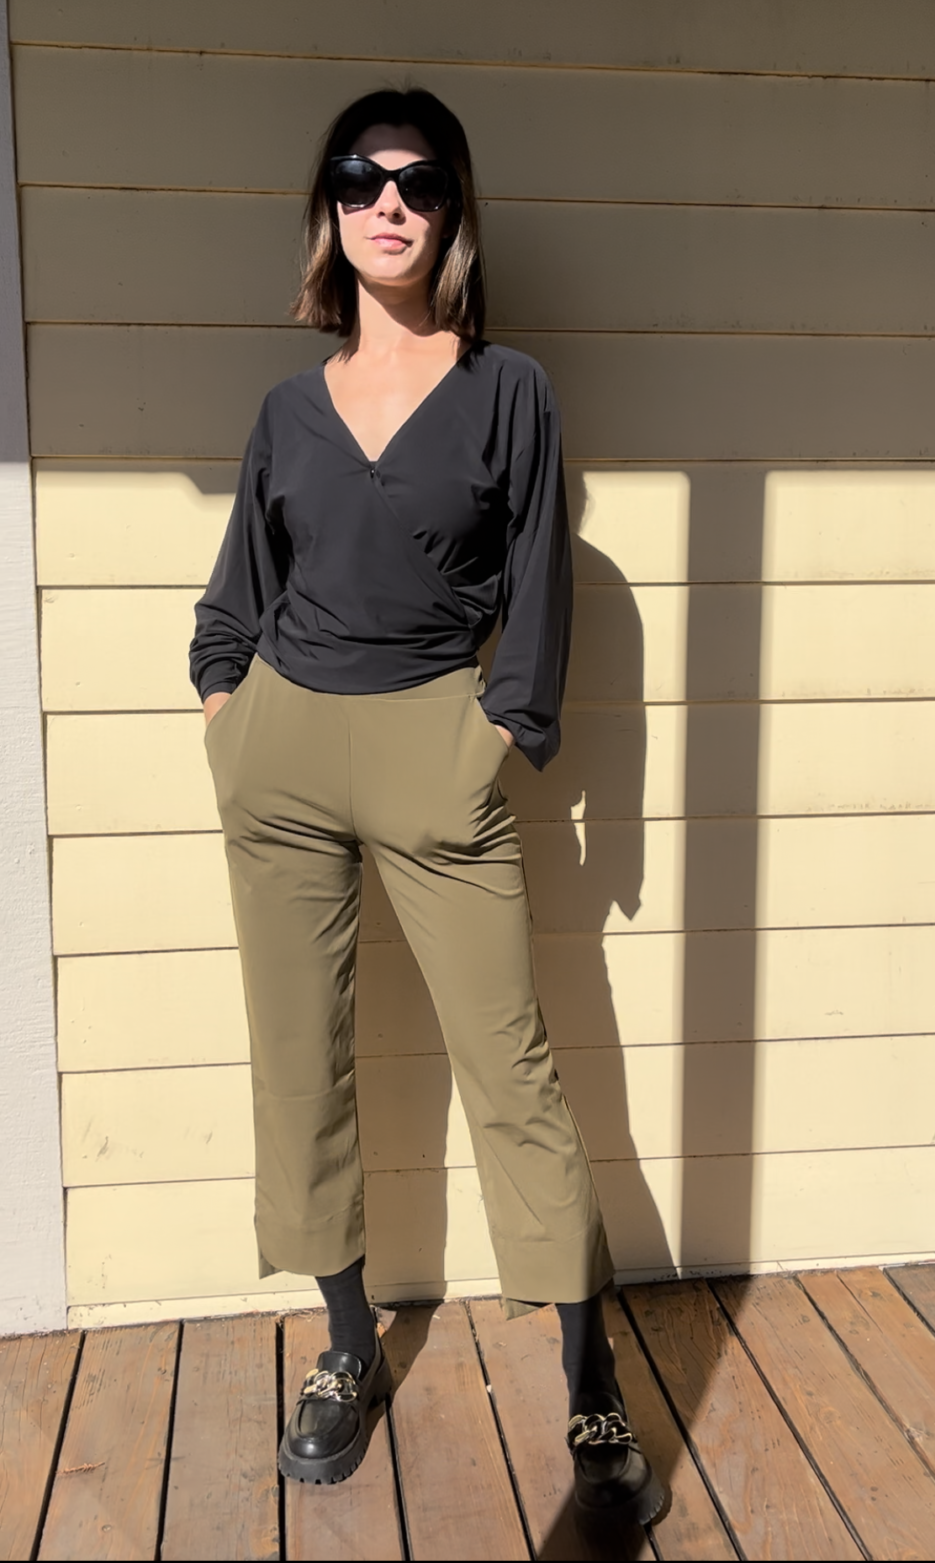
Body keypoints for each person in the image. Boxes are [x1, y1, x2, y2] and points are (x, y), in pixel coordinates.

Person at [189, 86, 664, 1523]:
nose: (386, 202)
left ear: (454, 215)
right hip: (282, 752)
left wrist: (498, 734)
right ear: (328, 210)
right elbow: (235, 596)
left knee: (508, 1069)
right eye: (357, 178)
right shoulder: (287, 408)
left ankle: (589, 1376)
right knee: (298, 1058)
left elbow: (538, 587)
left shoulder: (507, 388)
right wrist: (228, 710)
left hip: (433, 744)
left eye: (416, 183)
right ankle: (343, 1343)